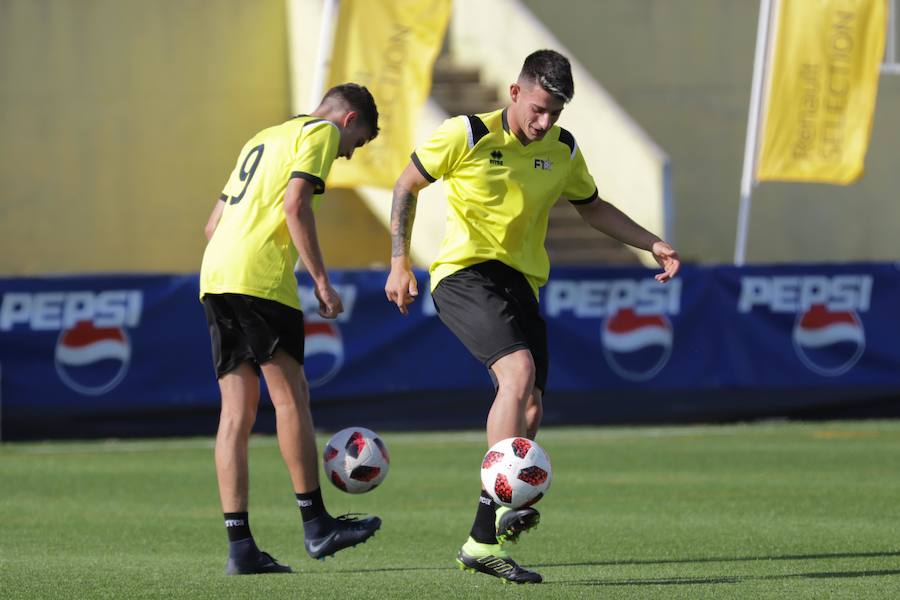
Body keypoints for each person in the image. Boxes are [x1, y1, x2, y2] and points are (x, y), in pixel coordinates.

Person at [384, 50, 680, 584]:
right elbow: (406, 185)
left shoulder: (562, 149)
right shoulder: (466, 133)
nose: (544, 123)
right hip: (463, 274)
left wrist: (651, 242)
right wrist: (400, 261)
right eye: (539, 109)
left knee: (532, 410)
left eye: (555, 114)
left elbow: (592, 207)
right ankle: (501, 510)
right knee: (516, 374)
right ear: (515, 93)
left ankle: (481, 540)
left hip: (522, 285)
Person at [200, 83, 383, 575]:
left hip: (215, 276)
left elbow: (213, 225)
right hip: (259, 279)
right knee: (291, 397)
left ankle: (240, 548)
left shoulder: (264, 137)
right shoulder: (320, 133)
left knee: (235, 415)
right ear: (347, 121)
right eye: (357, 143)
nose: (347, 155)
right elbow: (295, 204)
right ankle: (317, 525)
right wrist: (322, 282)